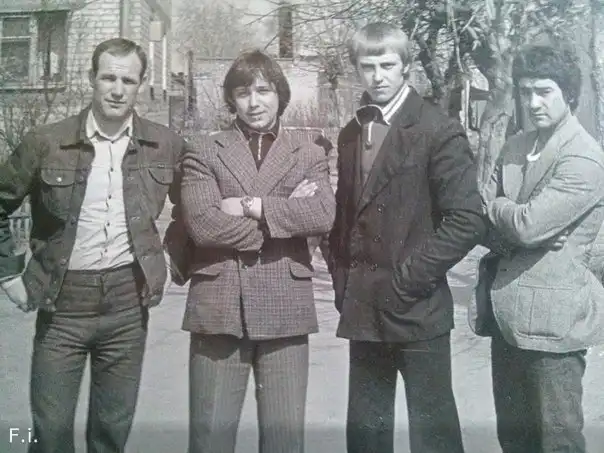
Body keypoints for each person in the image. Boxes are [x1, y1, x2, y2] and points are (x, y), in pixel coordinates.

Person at [0, 38, 187, 453]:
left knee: (110, 434)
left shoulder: (165, 144)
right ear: (91, 78)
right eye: (108, 78)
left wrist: (170, 261)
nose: (117, 90)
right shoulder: (46, 141)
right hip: (62, 305)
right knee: (49, 434)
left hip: (127, 305)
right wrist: (8, 274)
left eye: (128, 80)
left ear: (140, 85)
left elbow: (195, 206)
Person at [327, 22, 487, 453]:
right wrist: (342, 281)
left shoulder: (437, 129)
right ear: (356, 69)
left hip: (417, 308)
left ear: (406, 67)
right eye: (368, 67)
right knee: (367, 434)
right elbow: (343, 219)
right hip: (364, 308)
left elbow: (466, 219)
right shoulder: (351, 134)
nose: (377, 76)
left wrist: (408, 278)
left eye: (387, 65)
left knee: (433, 436)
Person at [169, 49, 335, 453]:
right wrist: (284, 215)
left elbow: (321, 214)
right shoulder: (203, 150)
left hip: (286, 307)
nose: (254, 102)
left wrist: (250, 205)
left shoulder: (308, 151)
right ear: (231, 99)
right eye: (243, 93)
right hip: (219, 306)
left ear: (280, 95)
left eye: (264, 91)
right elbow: (204, 225)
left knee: (284, 441)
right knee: (209, 440)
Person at [473, 44, 604, 453]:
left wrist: (500, 208)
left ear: (569, 93)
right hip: (506, 318)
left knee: (557, 441)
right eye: (526, 91)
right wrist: (513, 222)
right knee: (514, 440)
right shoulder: (515, 147)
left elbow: (527, 227)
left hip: (554, 326)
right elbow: (481, 220)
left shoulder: (583, 157)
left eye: (544, 91)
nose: (533, 102)